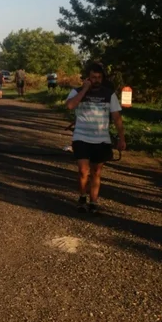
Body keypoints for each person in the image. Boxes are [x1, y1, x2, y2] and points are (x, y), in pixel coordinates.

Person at [65, 62, 126, 214]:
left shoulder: (109, 94)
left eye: (99, 77)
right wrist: (85, 89)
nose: (97, 80)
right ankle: (82, 197)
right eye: (93, 77)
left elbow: (117, 118)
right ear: (88, 78)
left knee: (96, 172)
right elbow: (70, 106)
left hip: (101, 139)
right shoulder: (77, 91)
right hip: (81, 137)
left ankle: (93, 202)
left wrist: (121, 138)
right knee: (83, 171)